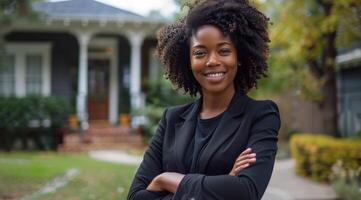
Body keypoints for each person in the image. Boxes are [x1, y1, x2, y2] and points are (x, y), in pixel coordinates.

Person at [128, 0, 281, 199]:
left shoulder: (260, 116)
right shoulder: (171, 119)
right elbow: (136, 196)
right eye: (200, 53)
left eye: (224, 50)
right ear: (188, 61)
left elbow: (246, 191)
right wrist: (223, 183)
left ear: (239, 56)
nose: (212, 61)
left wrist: (165, 180)